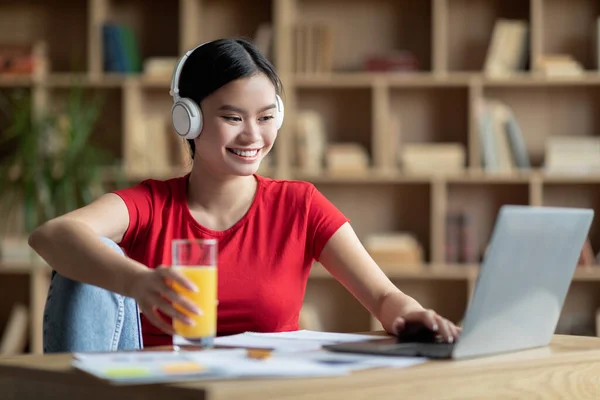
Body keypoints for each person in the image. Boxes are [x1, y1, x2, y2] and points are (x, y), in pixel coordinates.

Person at [29, 38, 460, 350]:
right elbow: (51, 234)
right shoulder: (151, 204)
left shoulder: (300, 205)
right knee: (85, 254)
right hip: (156, 390)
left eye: (267, 117)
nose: (253, 135)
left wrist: (412, 315)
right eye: (233, 117)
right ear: (189, 120)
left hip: (261, 391)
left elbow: (383, 297)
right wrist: (137, 281)